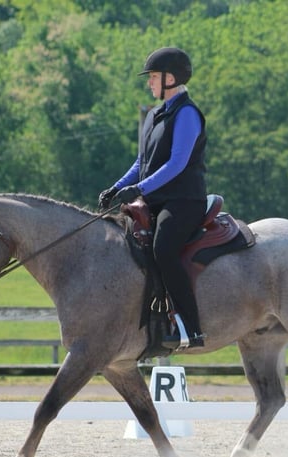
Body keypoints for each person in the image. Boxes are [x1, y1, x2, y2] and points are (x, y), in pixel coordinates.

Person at [99, 47, 207, 349]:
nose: (149, 83)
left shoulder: (187, 114)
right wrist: (117, 187)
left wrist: (140, 189)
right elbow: (141, 162)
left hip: (184, 201)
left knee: (163, 248)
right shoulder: (155, 115)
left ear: (170, 79)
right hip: (156, 201)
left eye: (153, 77)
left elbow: (177, 163)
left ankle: (190, 327)